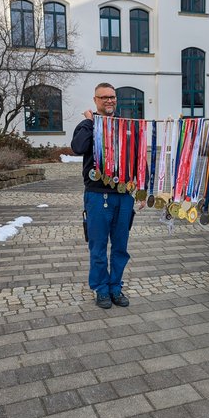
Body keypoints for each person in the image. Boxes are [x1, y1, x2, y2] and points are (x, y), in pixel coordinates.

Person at [71, 82, 145, 309]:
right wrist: (92, 123)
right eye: (103, 97)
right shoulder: (87, 124)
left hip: (124, 195)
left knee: (121, 247)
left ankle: (116, 287)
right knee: (99, 246)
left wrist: (141, 191)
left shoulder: (126, 125)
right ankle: (101, 289)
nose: (109, 101)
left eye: (112, 97)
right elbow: (78, 147)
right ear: (95, 100)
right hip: (97, 195)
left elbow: (139, 157)